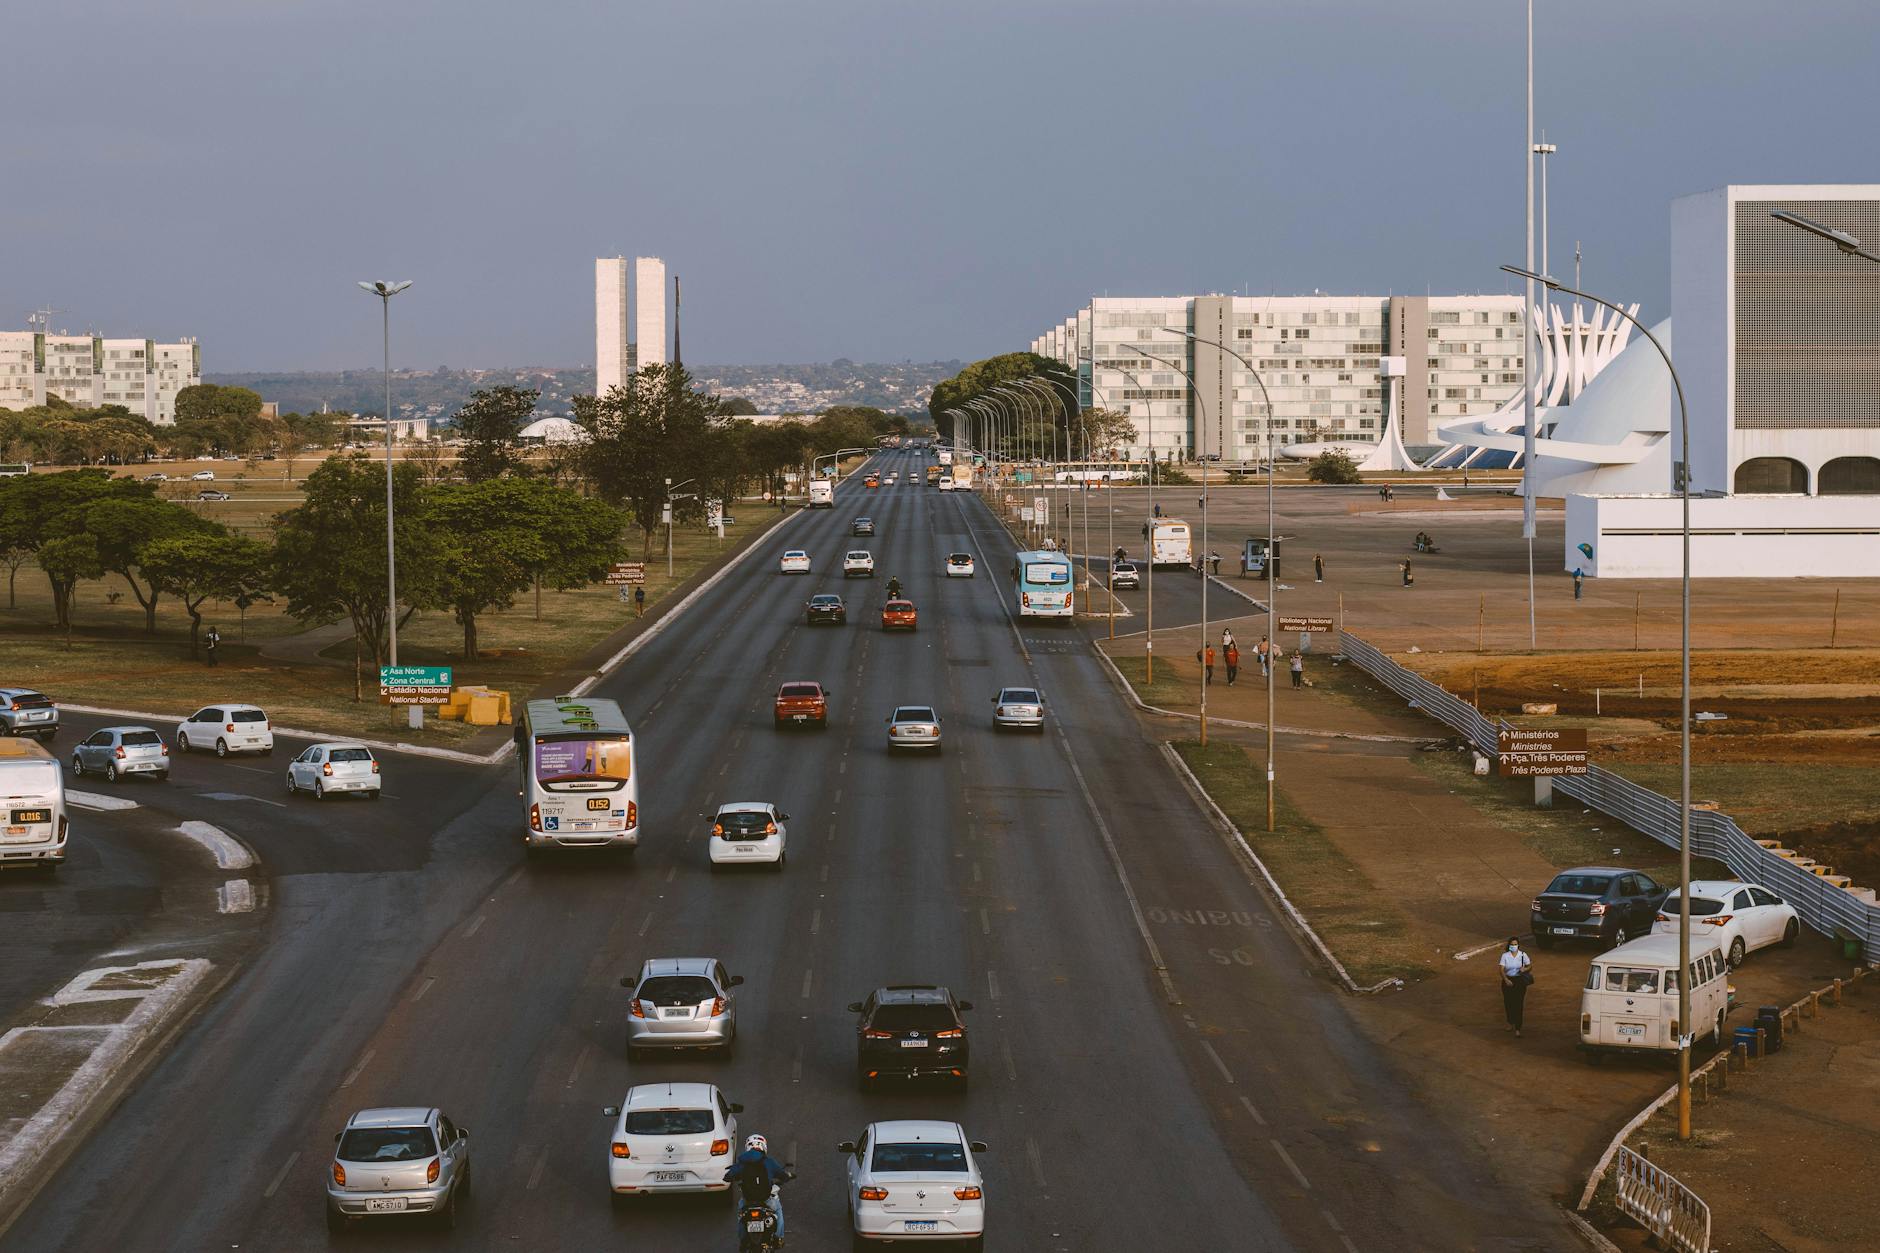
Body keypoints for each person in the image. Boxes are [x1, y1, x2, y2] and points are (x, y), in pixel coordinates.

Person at [725, 1134, 793, 1243]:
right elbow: (782, 1174)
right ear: (763, 1146)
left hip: (748, 1201)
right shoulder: (769, 1162)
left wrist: (730, 1177)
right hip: (766, 1200)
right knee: (778, 1210)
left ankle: (743, 1239)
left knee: (741, 1216)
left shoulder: (742, 1162)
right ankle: (778, 1237)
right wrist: (788, 1176)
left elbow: (728, 1176)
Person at [1499, 937, 1533, 1038]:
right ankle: (1510, 1022)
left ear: (1518, 945)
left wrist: (1525, 969)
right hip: (1508, 980)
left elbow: (1530, 966)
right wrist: (1506, 980)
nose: (1514, 946)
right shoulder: (1505, 956)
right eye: (1512, 944)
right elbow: (1501, 970)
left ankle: (1518, 1028)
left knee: (1518, 1003)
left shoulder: (1523, 955)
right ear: (1509, 945)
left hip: (1519, 981)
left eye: (1515, 944)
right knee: (1508, 1002)